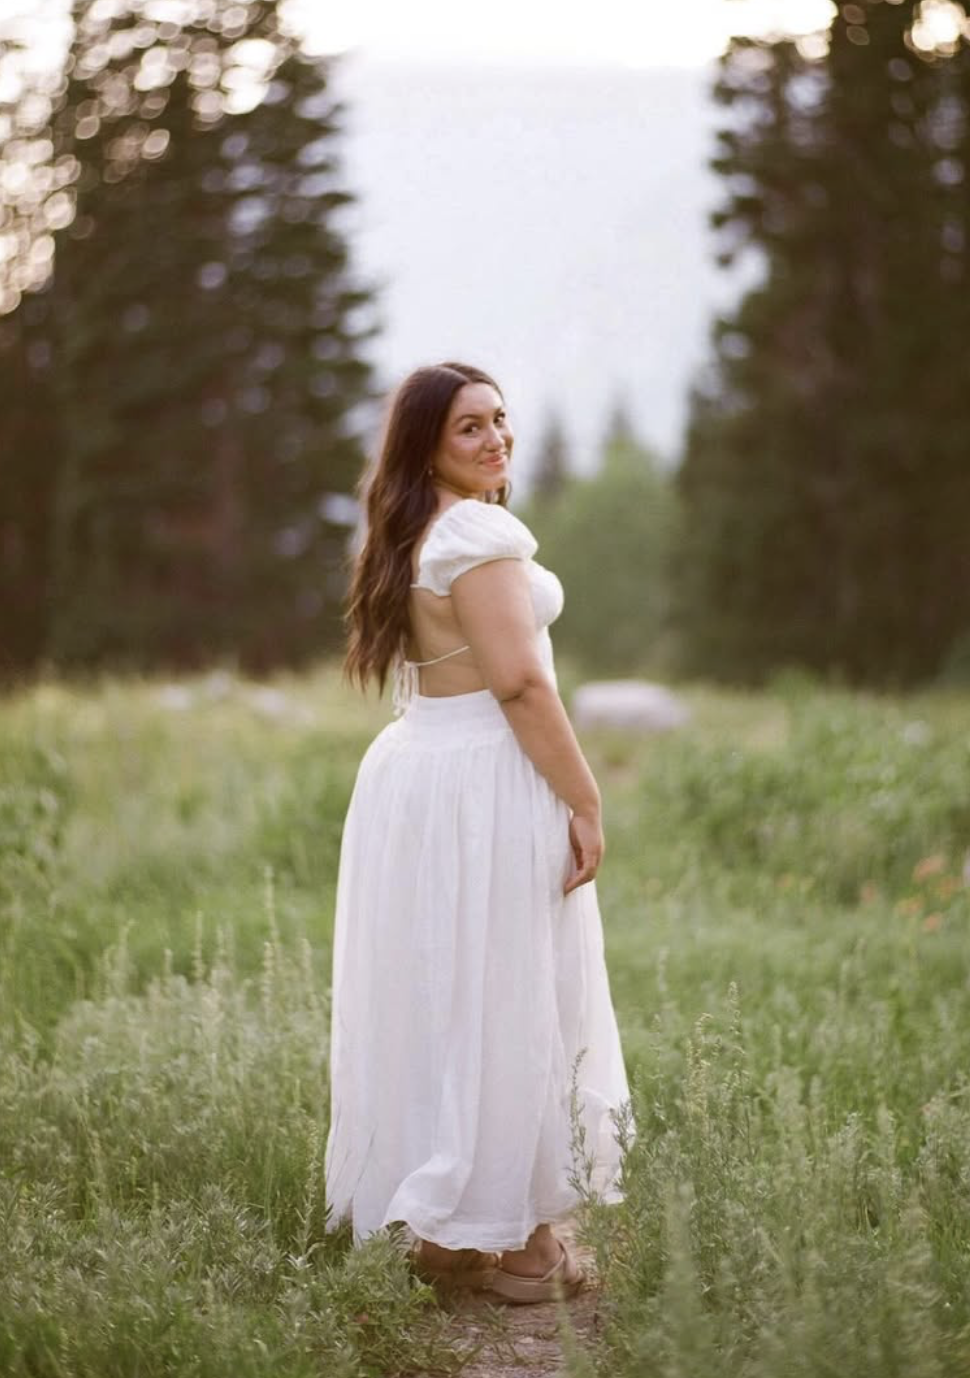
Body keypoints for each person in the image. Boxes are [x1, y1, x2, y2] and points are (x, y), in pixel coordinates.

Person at [325, 361, 630, 1304]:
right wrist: (585, 798)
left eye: (500, 419)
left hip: (419, 772)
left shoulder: (412, 529)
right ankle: (526, 1246)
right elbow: (521, 684)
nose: (496, 438)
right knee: (509, 990)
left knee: (447, 992)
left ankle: (449, 1232)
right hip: (484, 779)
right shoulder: (476, 533)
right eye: (469, 427)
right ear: (427, 446)